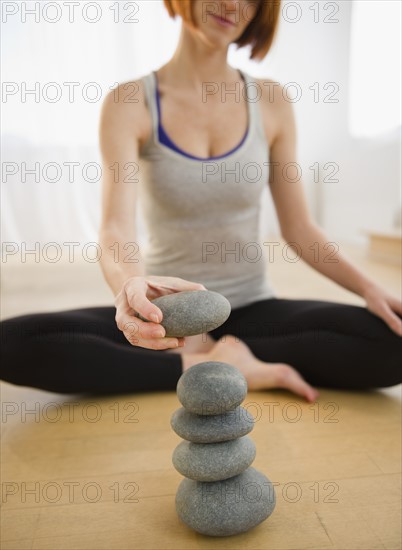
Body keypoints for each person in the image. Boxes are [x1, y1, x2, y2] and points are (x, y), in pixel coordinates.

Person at [1, 0, 401, 401]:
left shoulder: (271, 100)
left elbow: (299, 227)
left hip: (252, 310)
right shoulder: (130, 101)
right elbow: (116, 226)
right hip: (166, 317)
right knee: (12, 342)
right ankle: (209, 364)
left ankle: (214, 357)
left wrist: (369, 288)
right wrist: (130, 289)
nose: (232, 4)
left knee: (394, 345)